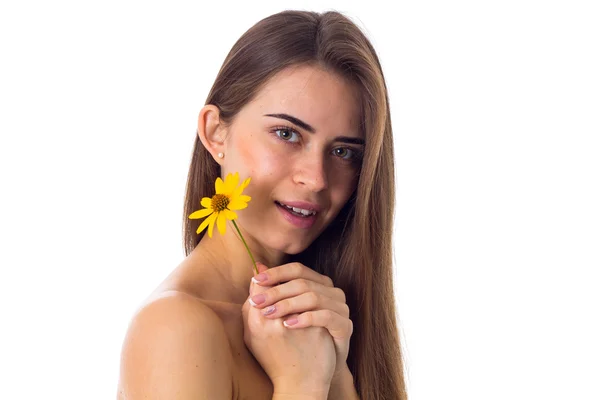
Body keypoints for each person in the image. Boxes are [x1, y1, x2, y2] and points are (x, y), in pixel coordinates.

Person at [117, 9, 407, 400]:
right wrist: (301, 384)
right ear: (216, 133)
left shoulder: (327, 327)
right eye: (287, 134)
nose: (316, 178)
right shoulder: (177, 328)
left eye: (343, 151)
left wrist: (336, 377)